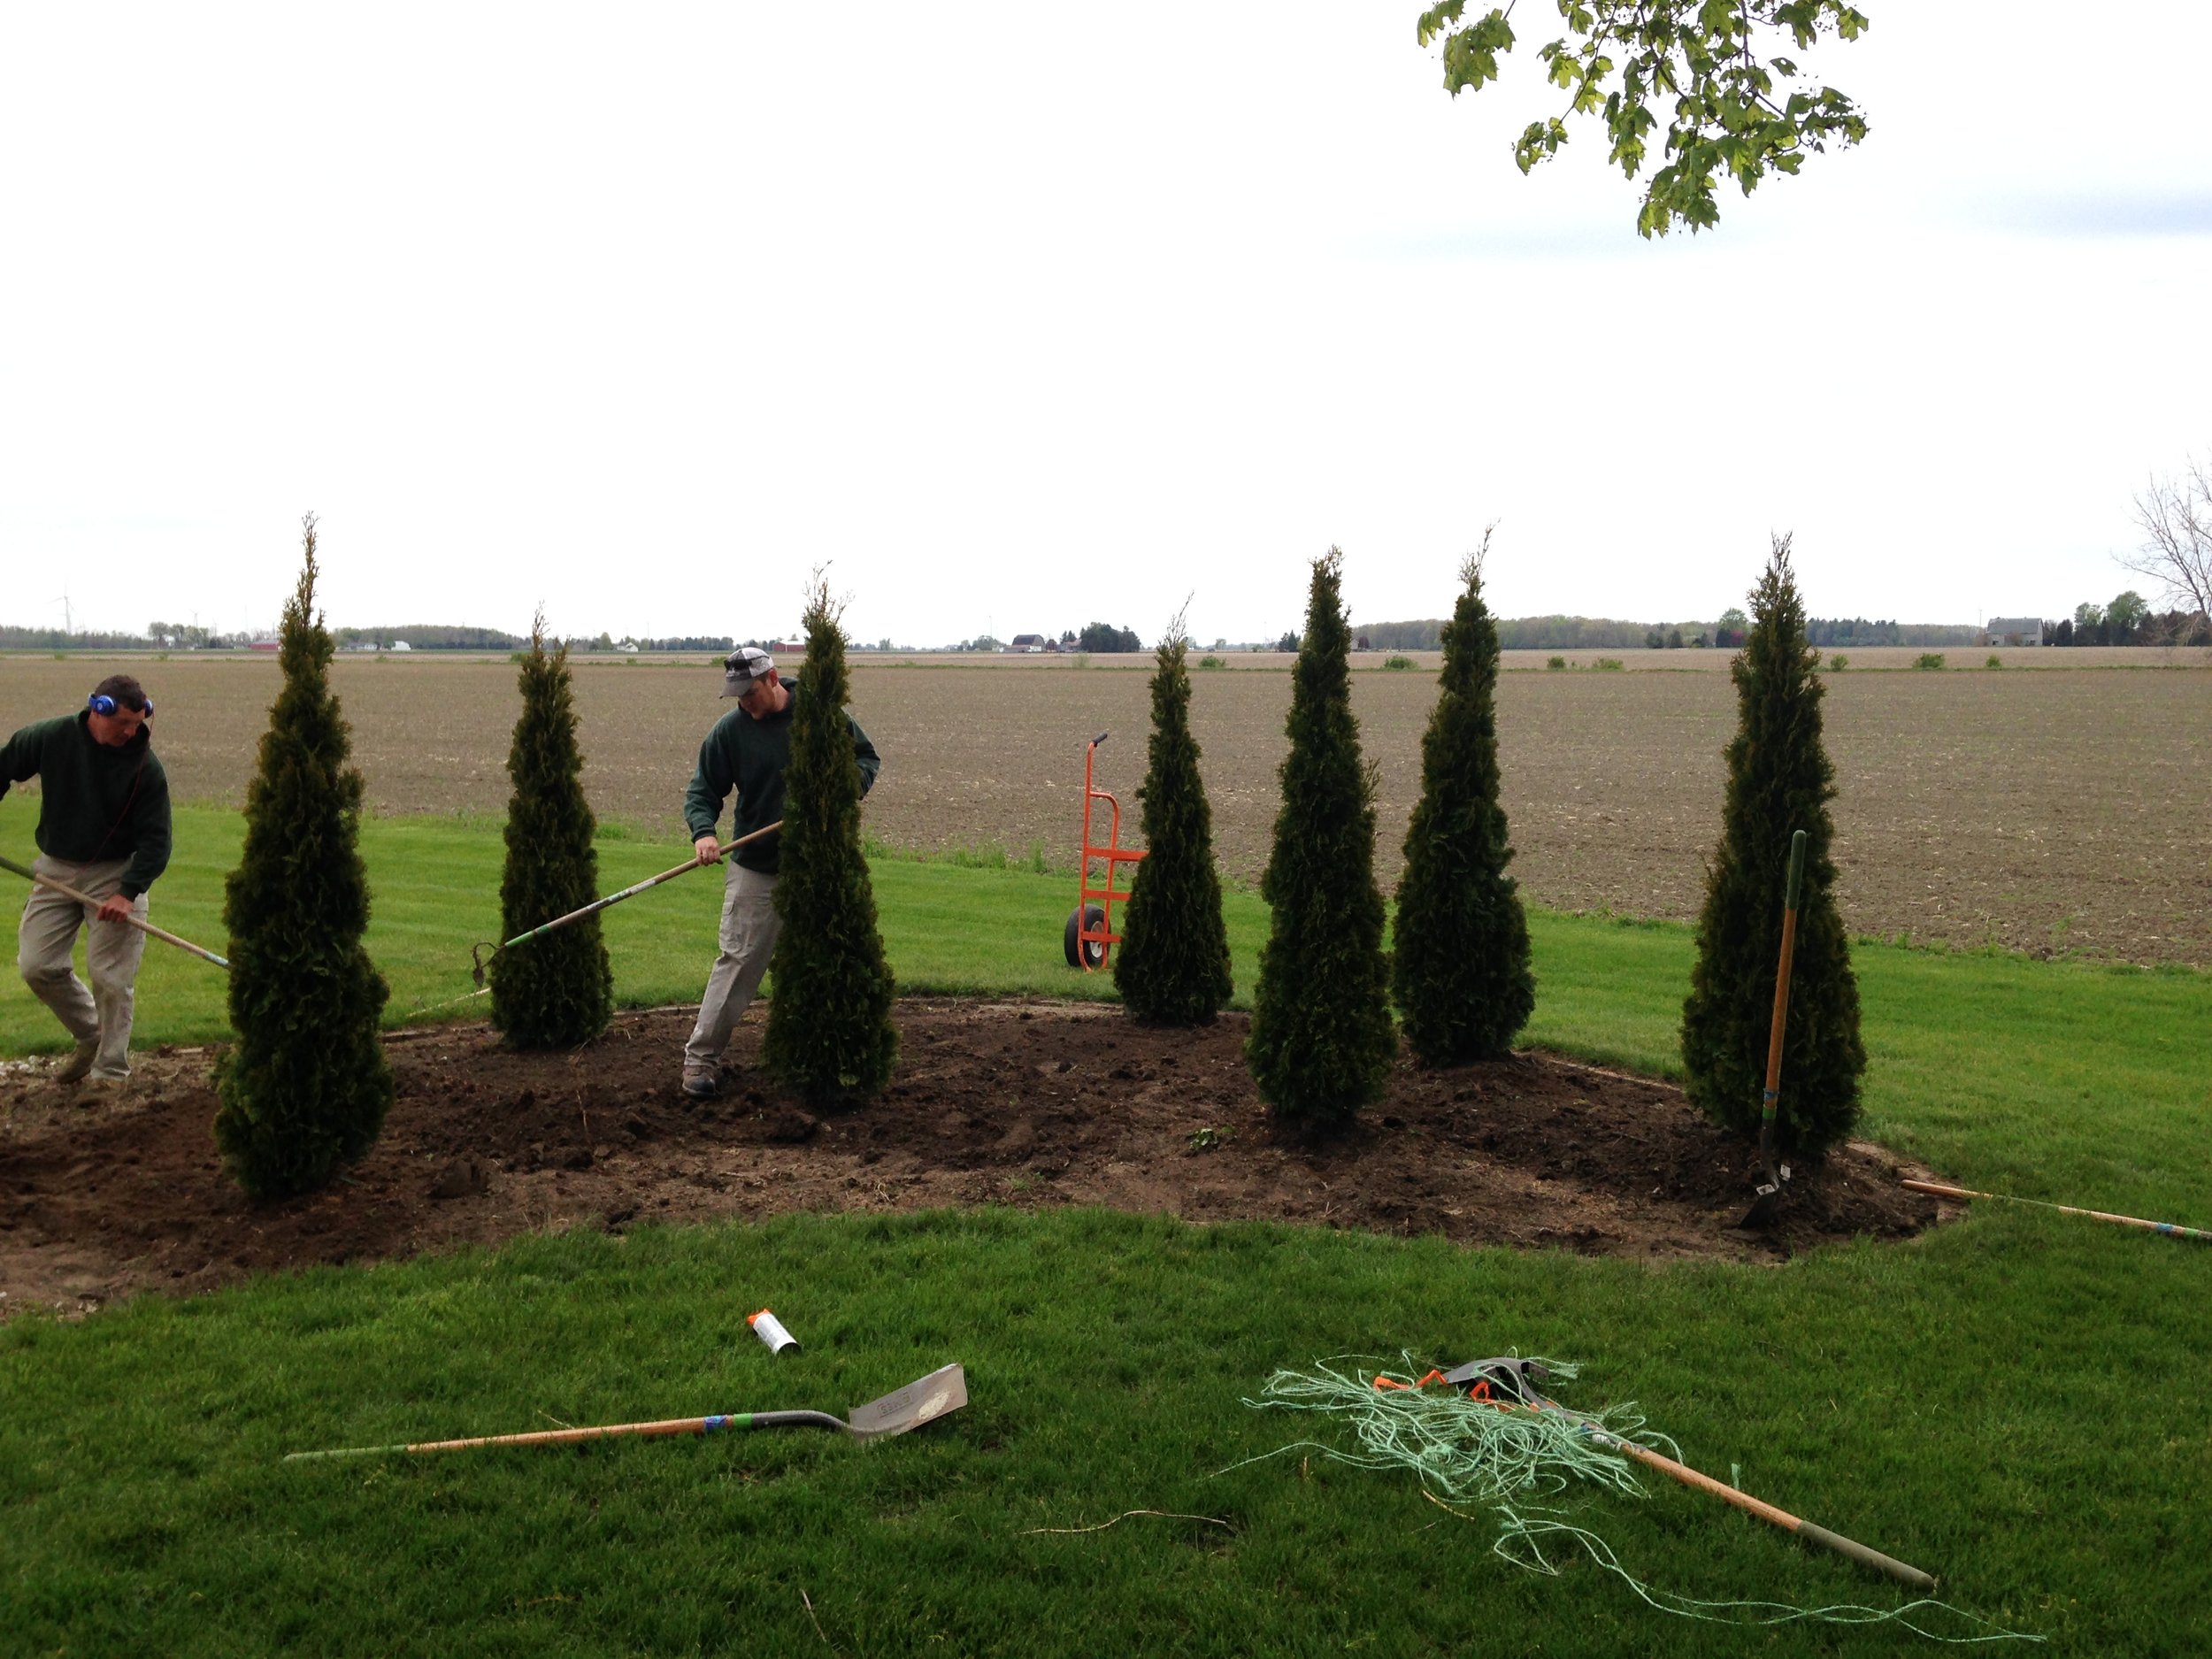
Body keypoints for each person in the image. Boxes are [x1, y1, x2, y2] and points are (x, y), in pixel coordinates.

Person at [680, 646, 879, 1098]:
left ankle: (821, 1060)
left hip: (820, 864)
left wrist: (841, 787)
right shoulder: (730, 731)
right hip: (758, 868)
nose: (743, 704)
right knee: (739, 960)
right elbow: (703, 789)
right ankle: (700, 1062)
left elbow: (866, 759)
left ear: (772, 679)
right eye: (736, 696)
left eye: (748, 693)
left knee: (827, 964)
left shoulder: (820, 717)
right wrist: (704, 833)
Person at [1, 674, 173, 1088]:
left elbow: (157, 841)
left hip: (115, 874)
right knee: (37, 966)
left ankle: (109, 1073)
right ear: (100, 710)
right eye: (124, 724)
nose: (133, 732)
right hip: (56, 867)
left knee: (110, 977)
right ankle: (90, 1032)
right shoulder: (50, 738)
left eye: (138, 722)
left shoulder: (145, 767)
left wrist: (128, 894)